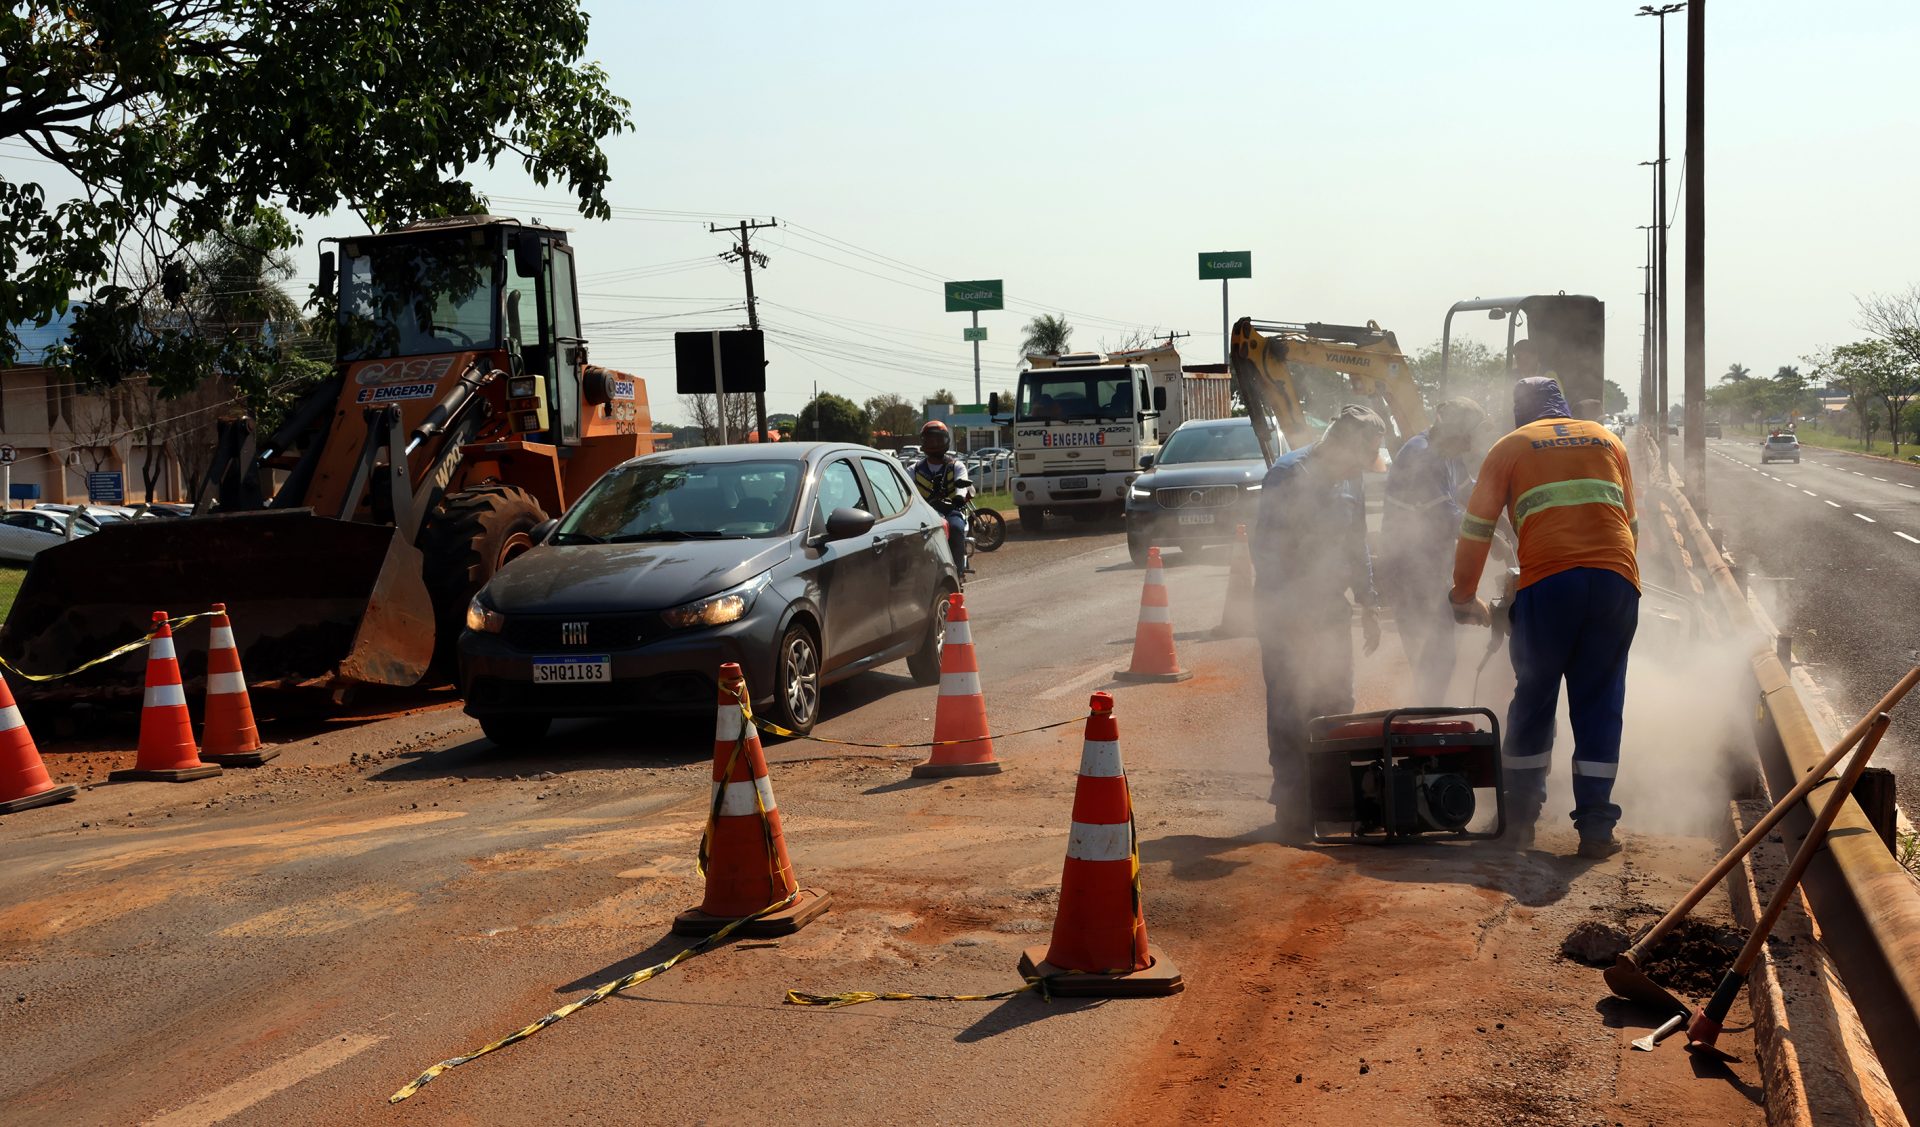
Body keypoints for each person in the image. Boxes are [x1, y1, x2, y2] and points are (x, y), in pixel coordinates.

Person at [1450, 375, 1640, 859]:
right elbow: (1631, 525)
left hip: (1550, 584)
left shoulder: (1511, 446)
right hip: (1618, 579)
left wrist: (1463, 596)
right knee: (1600, 702)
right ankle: (1596, 829)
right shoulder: (1608, 439)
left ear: (1521, 412)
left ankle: (1519, 823)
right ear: (1564, 407)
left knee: (1535, 697)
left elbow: (1476, 528)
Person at [1253, 404, 1387, 838]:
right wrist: (1290, 615)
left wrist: (1368, 601)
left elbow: (1356, 541)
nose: (1361, 466)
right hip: (1287, 611)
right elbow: (1266, 551)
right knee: (1290, 706)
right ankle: (1292, 804)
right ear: (1338, 443)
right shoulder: (1289, 475)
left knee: (1335, 702)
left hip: (1330, 609)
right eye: (1360, 456)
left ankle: (1330, 797)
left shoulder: (1351, 479)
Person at [1380, 396, 1486, 703]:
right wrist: (1494, 537)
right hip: (1408, 568)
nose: (1469, 446)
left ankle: (1428, 716)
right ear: (1453, 431)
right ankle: (1427, 721)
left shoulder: (1447, 452)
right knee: (1435, 653)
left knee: (1438, 652)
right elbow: (1450, 518)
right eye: (1467, 437)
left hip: (1429, 565)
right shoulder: (1424, 456)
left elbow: (1468, 490)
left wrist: (1501, 514)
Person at [911, 420, 973, 572]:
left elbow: (961, 481)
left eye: (938, 439)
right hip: (924, 514)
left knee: (956, 528)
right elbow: (904, 489)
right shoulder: (914, 469)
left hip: (950, 510)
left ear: (946, 441)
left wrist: (959, 496)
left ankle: (958, 570)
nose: (934, 444)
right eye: (930, 440)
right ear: (924, 442)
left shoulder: (956, 466)